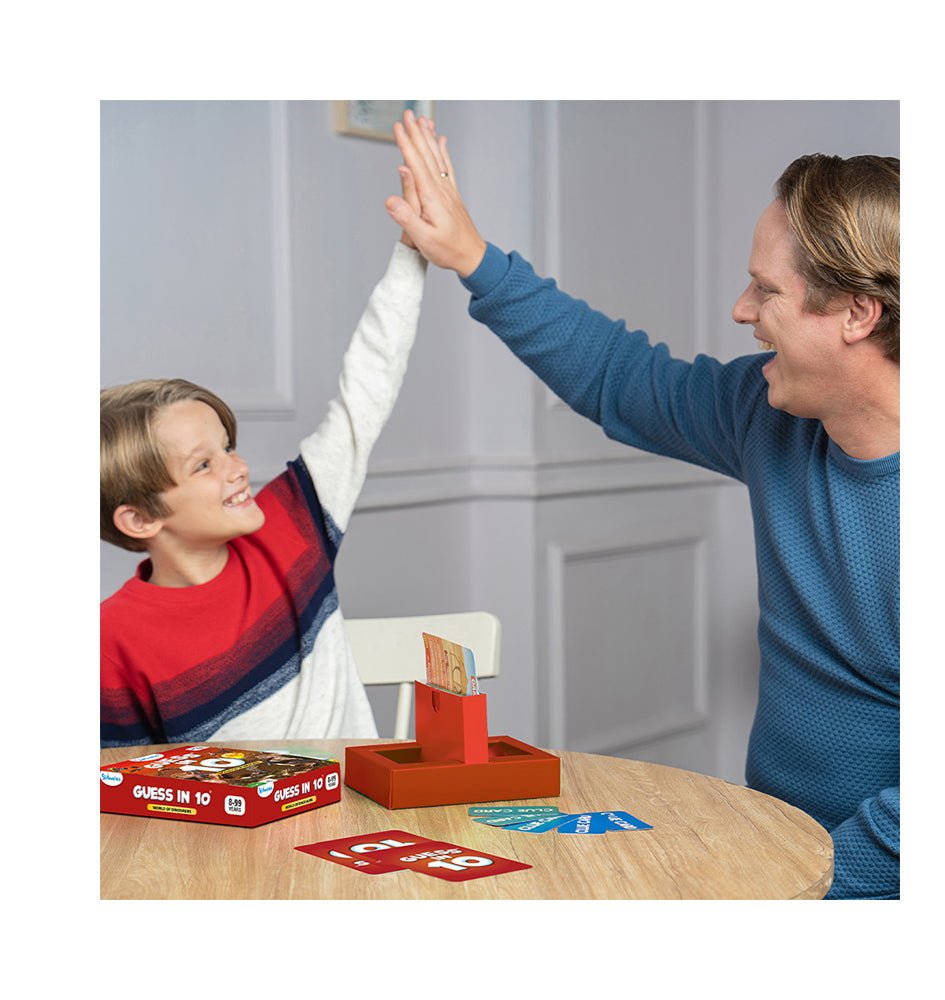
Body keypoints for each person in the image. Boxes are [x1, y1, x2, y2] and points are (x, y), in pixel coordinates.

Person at [385, 110, 899, 900]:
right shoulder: (767, 415)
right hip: (773, 843)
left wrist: (800, 895)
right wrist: (473, 258)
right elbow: (621, 377)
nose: (741, 310)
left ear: (858, 314)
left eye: (766, 290)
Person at [100, 180, 427, 748]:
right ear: (140, 518)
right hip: (222, 813)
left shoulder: (294, 522)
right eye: (203, 465)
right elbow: (120, 784)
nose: (237, 467)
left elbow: (367, 387)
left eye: (228, 446)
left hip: (355, 801)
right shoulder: (109, 642)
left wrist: (413, 247)